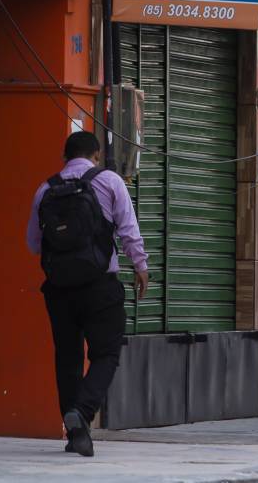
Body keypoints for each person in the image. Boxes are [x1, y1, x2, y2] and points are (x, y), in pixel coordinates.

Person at [26, 131, 149, 457]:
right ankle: (81, 412)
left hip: (59, 289)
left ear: (65, 157)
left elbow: (33, 243)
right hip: (100, 286)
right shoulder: (109, 181)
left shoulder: (45, 189)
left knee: (67, 357)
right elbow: (128, 229)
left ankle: (76, 436)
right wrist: (141, 266)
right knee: (106, 353)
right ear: (96, 155)